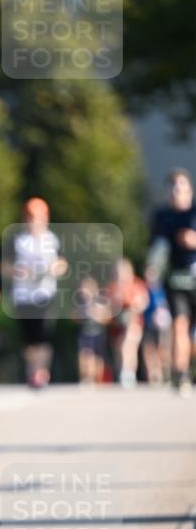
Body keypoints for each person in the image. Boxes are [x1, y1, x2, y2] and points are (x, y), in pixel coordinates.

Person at [147, 168, 196, 396]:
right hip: (177, 278)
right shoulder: (162, 217)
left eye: (182, 188)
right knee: (179, 324)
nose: (178, 193)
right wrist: (153, 267)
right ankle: (181, 372)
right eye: (173, 188)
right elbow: (157, 248)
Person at [9, 198, 67, 389]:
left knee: (43, 336)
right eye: (30, 217)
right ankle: (32, 370)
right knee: (29, 339)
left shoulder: (52, 239)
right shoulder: (18, 240)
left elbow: (62, 263)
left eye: (37, 217)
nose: (33, 221)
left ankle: (40, 373)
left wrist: (51, 269)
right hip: (23, 295)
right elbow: (4, 265)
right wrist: (18, 271)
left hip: (44, 293)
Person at [106, 259, 149, 389]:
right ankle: (122, 371)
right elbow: (109, 306)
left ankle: (128, 372)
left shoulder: (137, 284)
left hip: (134, 321)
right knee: (119, 348)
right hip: (118, 323)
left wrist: (132, 309)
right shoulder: (113, 287)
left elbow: (143, 302)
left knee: (129, 345)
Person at [73, 276, 111, 385]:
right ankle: (86, 378)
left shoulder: (101, 303)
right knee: (85, 355)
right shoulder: (80, 305)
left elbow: (107, 318)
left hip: (98, 333)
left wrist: (98, 316)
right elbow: (75, 318)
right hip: (85, 333)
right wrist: (82, 314)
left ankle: (97, 379)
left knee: (98, 358)